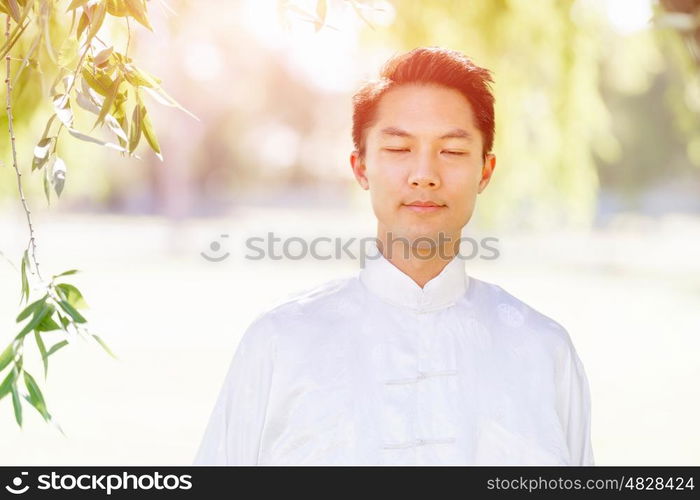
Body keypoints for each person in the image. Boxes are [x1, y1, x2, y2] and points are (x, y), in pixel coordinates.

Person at [193, 47, 594, 465]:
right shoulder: (280, 341)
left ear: (485, 171)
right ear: (361, 167)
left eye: (453, 152)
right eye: (399, 149)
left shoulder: (543, 351)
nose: (424, 174)